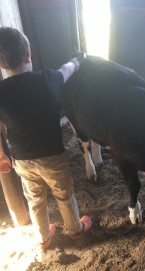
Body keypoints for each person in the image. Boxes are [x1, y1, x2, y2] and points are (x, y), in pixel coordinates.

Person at [0, 27, 92, 250]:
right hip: (54, 158)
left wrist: (2, 155)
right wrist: (78, 59)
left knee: (35, 200)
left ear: (1, 65)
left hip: (22, 160)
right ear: (28, 55)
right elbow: (67, 69)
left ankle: (43, 238)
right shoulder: (48, 79)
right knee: (64, 195)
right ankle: (74, 230)